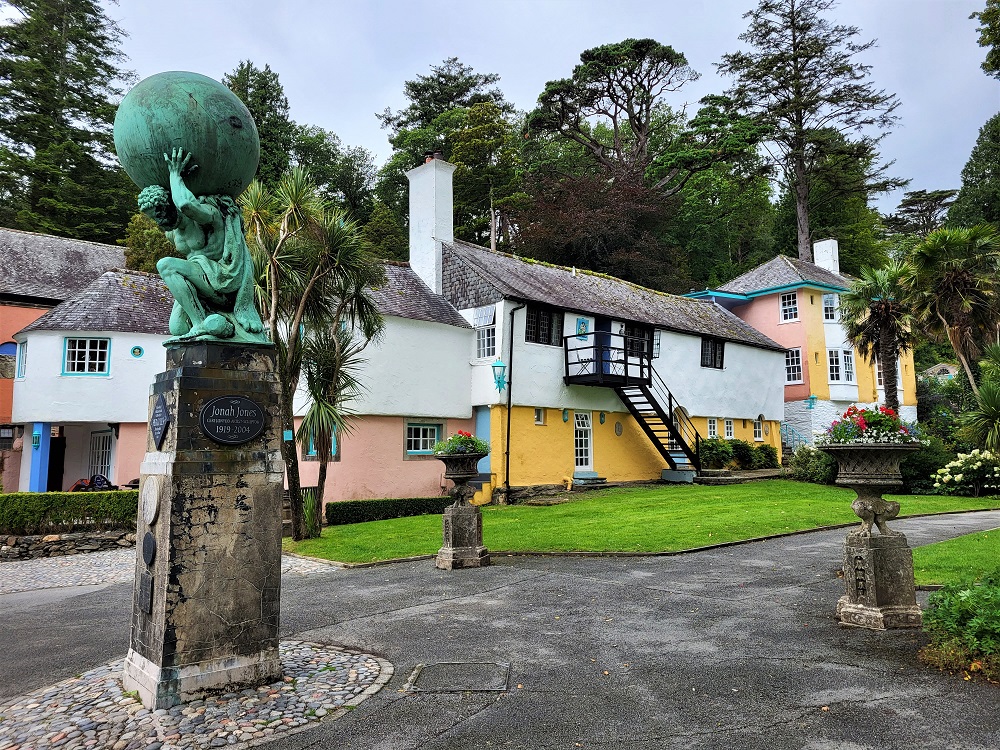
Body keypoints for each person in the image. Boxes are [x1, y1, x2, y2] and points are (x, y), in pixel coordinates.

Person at [137, 148, 267, 343]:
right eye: (155, 219)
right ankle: (214, 325)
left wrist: (175, 174)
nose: (160, 221)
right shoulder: (172, 233)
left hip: (223, 279)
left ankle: (200, 323)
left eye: (161, 213)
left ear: (171, 204)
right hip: (201, 285)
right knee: (177, 328)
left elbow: (186, 204)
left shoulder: (209, 215)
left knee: (165, 264)